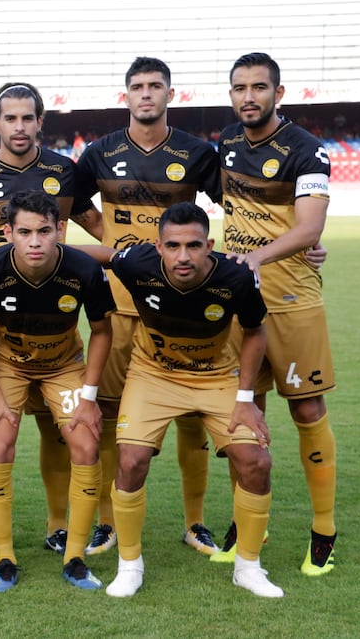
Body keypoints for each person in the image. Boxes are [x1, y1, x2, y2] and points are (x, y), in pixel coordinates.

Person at [83, 201, 282, 598]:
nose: (183, 256)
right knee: (131, 459)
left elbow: (256, 331)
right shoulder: (137, 263)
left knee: (256, 462)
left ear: (210, 245)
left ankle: (248, 567)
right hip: (152, 374)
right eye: (172, 246)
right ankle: (130, 565)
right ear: (158, 247)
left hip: (214, 376)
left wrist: (246, 398)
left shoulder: (237, 276)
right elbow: (89, 254)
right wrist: (11, 253)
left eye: (193, 245)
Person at [71, 57, 223, 557]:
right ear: (126, 96)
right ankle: (109, 522)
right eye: (137, 87)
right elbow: (73, 204)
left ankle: (195, 521)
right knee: (113, 412)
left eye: (155, 86)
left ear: (169, 94)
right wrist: (111, 239)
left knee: (191, 413)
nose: (146, 94)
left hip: (184, 301)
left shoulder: (197, 153)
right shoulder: (100, 153)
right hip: (118, 300)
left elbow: (237, 206)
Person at [0, 82, 94, 561]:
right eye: (10, 118)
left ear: (40, 121)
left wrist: (141, 257)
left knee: (56, 428)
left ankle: (57, 526)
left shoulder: (63, 172)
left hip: (52, 319)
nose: (20, 127)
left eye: (28, 118)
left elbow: (96, 227)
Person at [213, 52, 337, 576]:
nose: (248, 96)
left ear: (278, 93)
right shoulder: (226, 144)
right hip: (242, 302)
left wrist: (256, 258)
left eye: (259, 87)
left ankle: (324, 529)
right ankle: (247, 524)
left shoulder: (308, 150)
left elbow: (310, 229)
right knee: (247, 411)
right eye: (239, 87)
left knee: (306, 412)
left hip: (292, 300)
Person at [0, 190, 114, 592]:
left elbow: (102, 331)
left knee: (85, 444)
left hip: (63, 365)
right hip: (7, 364)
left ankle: (76, 559)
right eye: (25, 232)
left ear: (60, 230)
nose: (35, 242)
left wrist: (88, 396)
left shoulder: (83, 268)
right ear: (7, 232)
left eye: (45, 231)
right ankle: (4, 558)